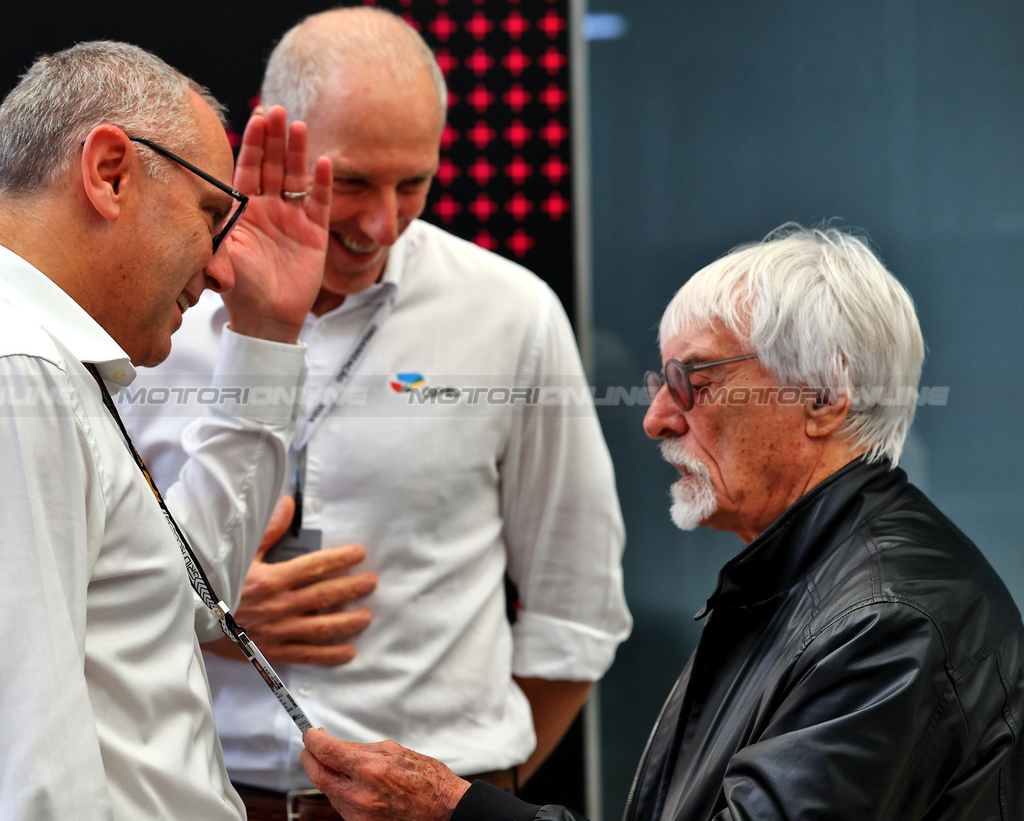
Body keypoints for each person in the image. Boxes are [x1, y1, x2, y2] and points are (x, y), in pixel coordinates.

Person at [296, 225, 1024, 821]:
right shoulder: (812, 577)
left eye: (695, 382)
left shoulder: (883, 619)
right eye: (660, 384)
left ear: (824, 396)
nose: (655, 420)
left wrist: (458, 812)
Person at [120, 7, 631, 817]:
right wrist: (196, 607)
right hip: (192, 799)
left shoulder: (509, 312)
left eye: (414, 184)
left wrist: (465, 796)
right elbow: (63, 594)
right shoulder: (153, 317)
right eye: (350, 180)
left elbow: (577, 614)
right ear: (274, 136)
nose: (379, 223)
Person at [0, 41, 333, 820]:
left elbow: (186, 593)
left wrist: (264, 332)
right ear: (109, 172)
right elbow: (25, 789)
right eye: (209, 214)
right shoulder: (0, 375)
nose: (223, 268)